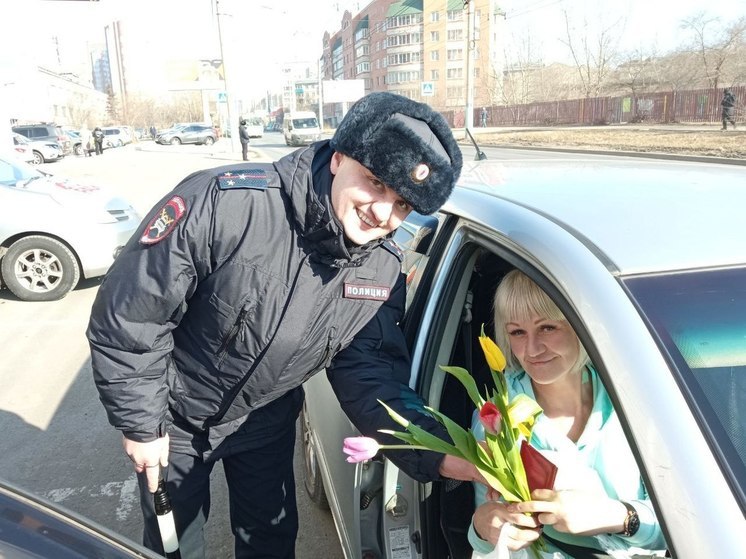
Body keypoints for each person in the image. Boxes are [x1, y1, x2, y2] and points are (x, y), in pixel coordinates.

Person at [87, 92, 480, 559]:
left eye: (402, 205)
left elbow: (369, 374)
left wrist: (439, 451)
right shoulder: (226, 204)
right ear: (338, 159)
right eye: (374, 183)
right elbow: (132, 315)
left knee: (270, 544)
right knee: (174, 545)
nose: (382, 214)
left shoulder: (381, 271)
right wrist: (141, 424)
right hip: (173, 418)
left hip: (265, 418)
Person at [468, 270, 666, 558]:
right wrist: (483, 526)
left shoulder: (636, 401)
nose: (532, 349)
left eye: (548, 327)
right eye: (517, 332)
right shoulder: (495, 415)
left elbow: (686, 523)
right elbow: (485, 529)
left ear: (582, 325)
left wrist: (616, 515)